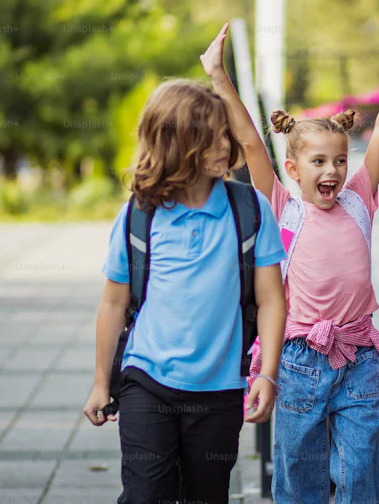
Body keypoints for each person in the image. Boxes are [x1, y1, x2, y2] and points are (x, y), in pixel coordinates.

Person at [205, 22, 379, 502]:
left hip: (358, 355)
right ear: (293, 169)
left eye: (340, 161)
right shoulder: (283, 206)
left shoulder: (359, 198)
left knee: (361, 471)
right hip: (300, 358)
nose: (333, 172)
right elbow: (248, 144)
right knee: (299, 475)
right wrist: (219, 77)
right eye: (319, 162)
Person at [81, 79, 287, 504]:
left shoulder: (248, 209)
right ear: (178, 143)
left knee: (207, 496)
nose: (226, 146)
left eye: (226, 135)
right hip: (147, 381)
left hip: (220, 390)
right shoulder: (139, 215)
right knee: (145, 495)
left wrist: (266, 372)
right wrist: (102, 382)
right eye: (213, 138)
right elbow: (114, 302)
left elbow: (270, 300)